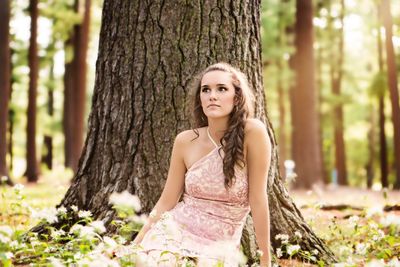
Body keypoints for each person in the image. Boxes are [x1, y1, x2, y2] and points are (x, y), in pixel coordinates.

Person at [133, 62, 272, 266]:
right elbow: (167, 201)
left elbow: (259, 200)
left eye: (221, 89)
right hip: (174, 231)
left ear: (237, 96)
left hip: (218, 246)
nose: (212, 96)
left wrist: (265, 261)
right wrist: (136, 244)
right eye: (205, 90)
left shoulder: (253, 133)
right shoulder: (185, 140)